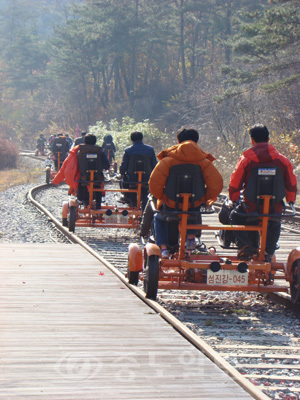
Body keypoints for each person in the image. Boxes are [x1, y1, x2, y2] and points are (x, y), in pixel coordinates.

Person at [149, 127, 223, 258]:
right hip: (194, 205)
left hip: (171, 205)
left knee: (159, 218)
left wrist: (164, 197)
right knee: (193, 211)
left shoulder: (168, 160)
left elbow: (154, 183)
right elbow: (216, 185)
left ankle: (164, 249)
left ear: (178, 141)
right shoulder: (204, 162)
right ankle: (190, 238)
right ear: (197, 141)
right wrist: (203, 198)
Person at [228, 124, 297, 261]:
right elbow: (291, 184)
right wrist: (291, 200)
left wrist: (234, 198)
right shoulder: (283, 161)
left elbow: (235, 183)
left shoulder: (246, 160)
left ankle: (245, 246)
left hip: (250, 207)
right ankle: (268, 252)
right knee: (275, 221)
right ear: (268, 139)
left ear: (252, 140)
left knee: (234, 216)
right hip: (274, 208)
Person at [52, 133, 110, 209]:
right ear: (95, 142)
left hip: (83, 178)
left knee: (82, 183)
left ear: (84, 142)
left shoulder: (78, 152)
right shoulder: (100, 151)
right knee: (97, 185)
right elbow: (107, 166)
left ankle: (84, 202)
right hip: (97, 178)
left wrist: (55, 181)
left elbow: (67, 166)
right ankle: (98, 204)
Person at [119, 131, 157, 208]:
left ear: (131, 139)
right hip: (146, 179)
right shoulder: (150, 149)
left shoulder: (128, 150)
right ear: (142, 138)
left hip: (131, 180)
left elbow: (123, 168)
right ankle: (146, 204)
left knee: (123, 179)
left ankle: (129, 198)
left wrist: (122, 172)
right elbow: (155, 165)